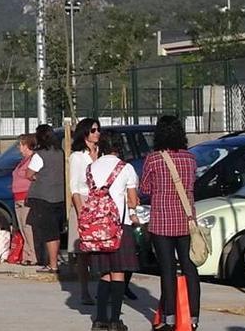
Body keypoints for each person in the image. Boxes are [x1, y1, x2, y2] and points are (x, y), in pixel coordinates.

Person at [140, 115, 200, 331]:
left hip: (162, 221)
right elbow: (193, 183)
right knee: (189, 267)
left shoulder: (154, 158)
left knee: (167, 270)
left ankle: (170, 318)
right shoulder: (190, 158)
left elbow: (145, 189)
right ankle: (192, 318)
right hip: (186, 220)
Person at [83, 132, 140, 331]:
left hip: (97, 227)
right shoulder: (126, 168)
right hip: (119, 226)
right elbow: (133, 201)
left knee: (104, 274)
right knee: (118, 274)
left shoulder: (91, 167)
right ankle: (115, 319)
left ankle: (100, 319)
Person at [69, 118, 101, 305]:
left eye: (98, 130)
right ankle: (84, 291)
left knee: (102, 249)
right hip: (83, 201)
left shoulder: (102, 153)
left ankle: (103, 290)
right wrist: (82, 212)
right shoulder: (77, 157)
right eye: (93, 130)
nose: (97, 133)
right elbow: (74, 186)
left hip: (101, 203)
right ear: (85, 133)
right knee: (83, 252)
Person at [26, 124, 66, 273]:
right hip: (60, 197)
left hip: (44, 197)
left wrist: (38, 177)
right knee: (56, 231)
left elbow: (29, 174)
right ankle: (53, 261)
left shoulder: (40, 155)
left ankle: (52, 264)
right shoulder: (61, 153)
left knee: (49, 233)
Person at [11, 133, 38, 266]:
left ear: (27, 145)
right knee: (23, 227)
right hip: (18, 197)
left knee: (28, 227)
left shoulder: (33, 159)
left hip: (26, 196)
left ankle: (32, 255)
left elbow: (35, 176)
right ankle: (27, 254)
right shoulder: (23, 160)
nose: (19, 148)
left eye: (21, 145)